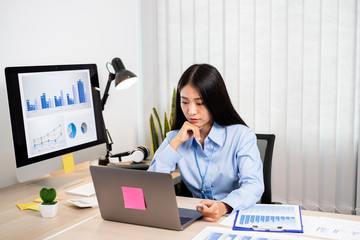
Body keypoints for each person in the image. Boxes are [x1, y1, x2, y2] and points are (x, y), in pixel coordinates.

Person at [148, 63, 264, 222]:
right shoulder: (175, 138)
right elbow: (150, 186)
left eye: (200, 103)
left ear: (216, 101)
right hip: (197, 219)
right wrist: (176, 143)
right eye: (184, 102)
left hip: (233, 216)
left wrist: (224, 206)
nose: (191, 111)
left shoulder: (241, 136)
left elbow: (253, 186)